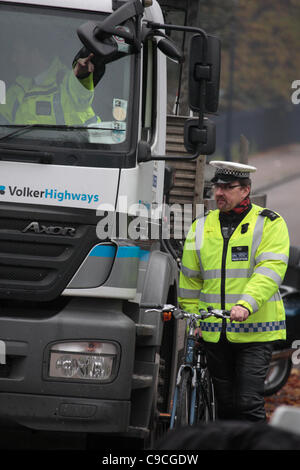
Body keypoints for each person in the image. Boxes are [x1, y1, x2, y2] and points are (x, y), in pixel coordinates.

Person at [178, 161, 290, 422]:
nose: (219, 193)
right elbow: (190, 280)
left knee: (247, 404)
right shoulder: (200, 227)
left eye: (228, 187)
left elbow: (269, 270)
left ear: (246, 190)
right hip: (214, 332)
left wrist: (246, 304)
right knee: (225, 408)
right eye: (217, 187)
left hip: (255, 331)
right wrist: (194, 318)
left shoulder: (269, 224)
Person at [0, 42, 101, 127]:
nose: (13, 59)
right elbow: (2, 121)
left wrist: (82, 76)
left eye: (18, 52)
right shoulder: (18, 87)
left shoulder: (66, 80)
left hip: (79, 148)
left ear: (34, 53)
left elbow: (82, 95)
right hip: (19, 150)